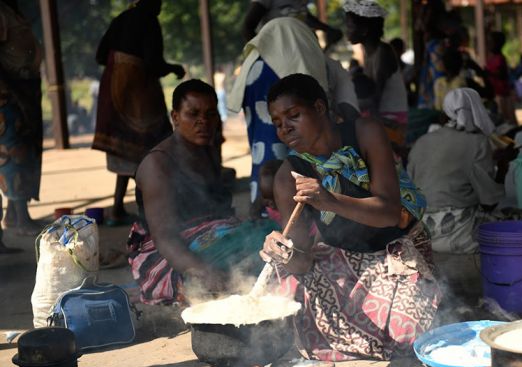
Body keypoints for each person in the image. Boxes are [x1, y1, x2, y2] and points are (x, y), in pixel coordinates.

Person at [261, 74, 441, 361]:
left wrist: (330, 201)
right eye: (278, 123)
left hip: (396, 251)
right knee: (289, 313)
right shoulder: (287, 177)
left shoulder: (365, 132)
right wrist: (283, 253)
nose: (285, 128)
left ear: (319, 108)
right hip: (339, 263)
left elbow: (390, 212)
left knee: (407, 337)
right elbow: (304, 262)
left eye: (293, 116)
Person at [128, 80, 273, 304]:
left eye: (210, 114)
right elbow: (165, 237)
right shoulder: (158, 164)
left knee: (274, 236)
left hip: (214, 236)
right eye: (193, 114)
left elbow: (218, 209)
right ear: (175, 117)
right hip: (170, 256)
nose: (203, 122)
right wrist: (204, 271)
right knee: (255, 257)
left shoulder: (207, 149)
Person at [93, 0, 185, 226]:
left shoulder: (121, 19)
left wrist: (121, 64)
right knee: (152, 148)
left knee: (125, 150)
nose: (160, 7)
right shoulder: (148, 19)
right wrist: (174, 68)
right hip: (138, 92)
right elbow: (154, 63)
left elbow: (99, 56)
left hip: (114, 88)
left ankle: (117, 209)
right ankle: (154, 210)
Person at [228, 17, 331, 215]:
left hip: (259, 62)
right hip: (285, 60)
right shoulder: (297, 46)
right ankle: (291, 211)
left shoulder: (255, 63)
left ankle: (266, 209)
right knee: (288, 157)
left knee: (266, 151)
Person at [408, 88, 518, 254]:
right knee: (518, 219)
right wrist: (502, 167)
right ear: (477, 110)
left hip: (421, 232)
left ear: (445, 112)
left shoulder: (422, 141)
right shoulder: (478, 141)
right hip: (460, 233)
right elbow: (489, 203)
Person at [0, 0, 43, 243]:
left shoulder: (12, 10)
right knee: (12, 152)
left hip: (21, 88)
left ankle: (14, 215)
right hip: (7, 93)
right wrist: (13, 89)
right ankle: (21, 217)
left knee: (25, 151)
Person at [343, 0, 407, 152]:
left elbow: (374, 99)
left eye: (350, 26)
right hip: (380, 115)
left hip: (392, 120)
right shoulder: (371, 52)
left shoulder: (383, 53)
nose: (347, 30)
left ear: (364, 30)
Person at [485, 32, 517, 125]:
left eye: (491, 42)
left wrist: (488, 73)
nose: (489, 44)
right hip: (495, 94)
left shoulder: (500, 58)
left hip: (502, 95)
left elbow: (502, 75)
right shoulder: (492, 58)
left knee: (505, 121)